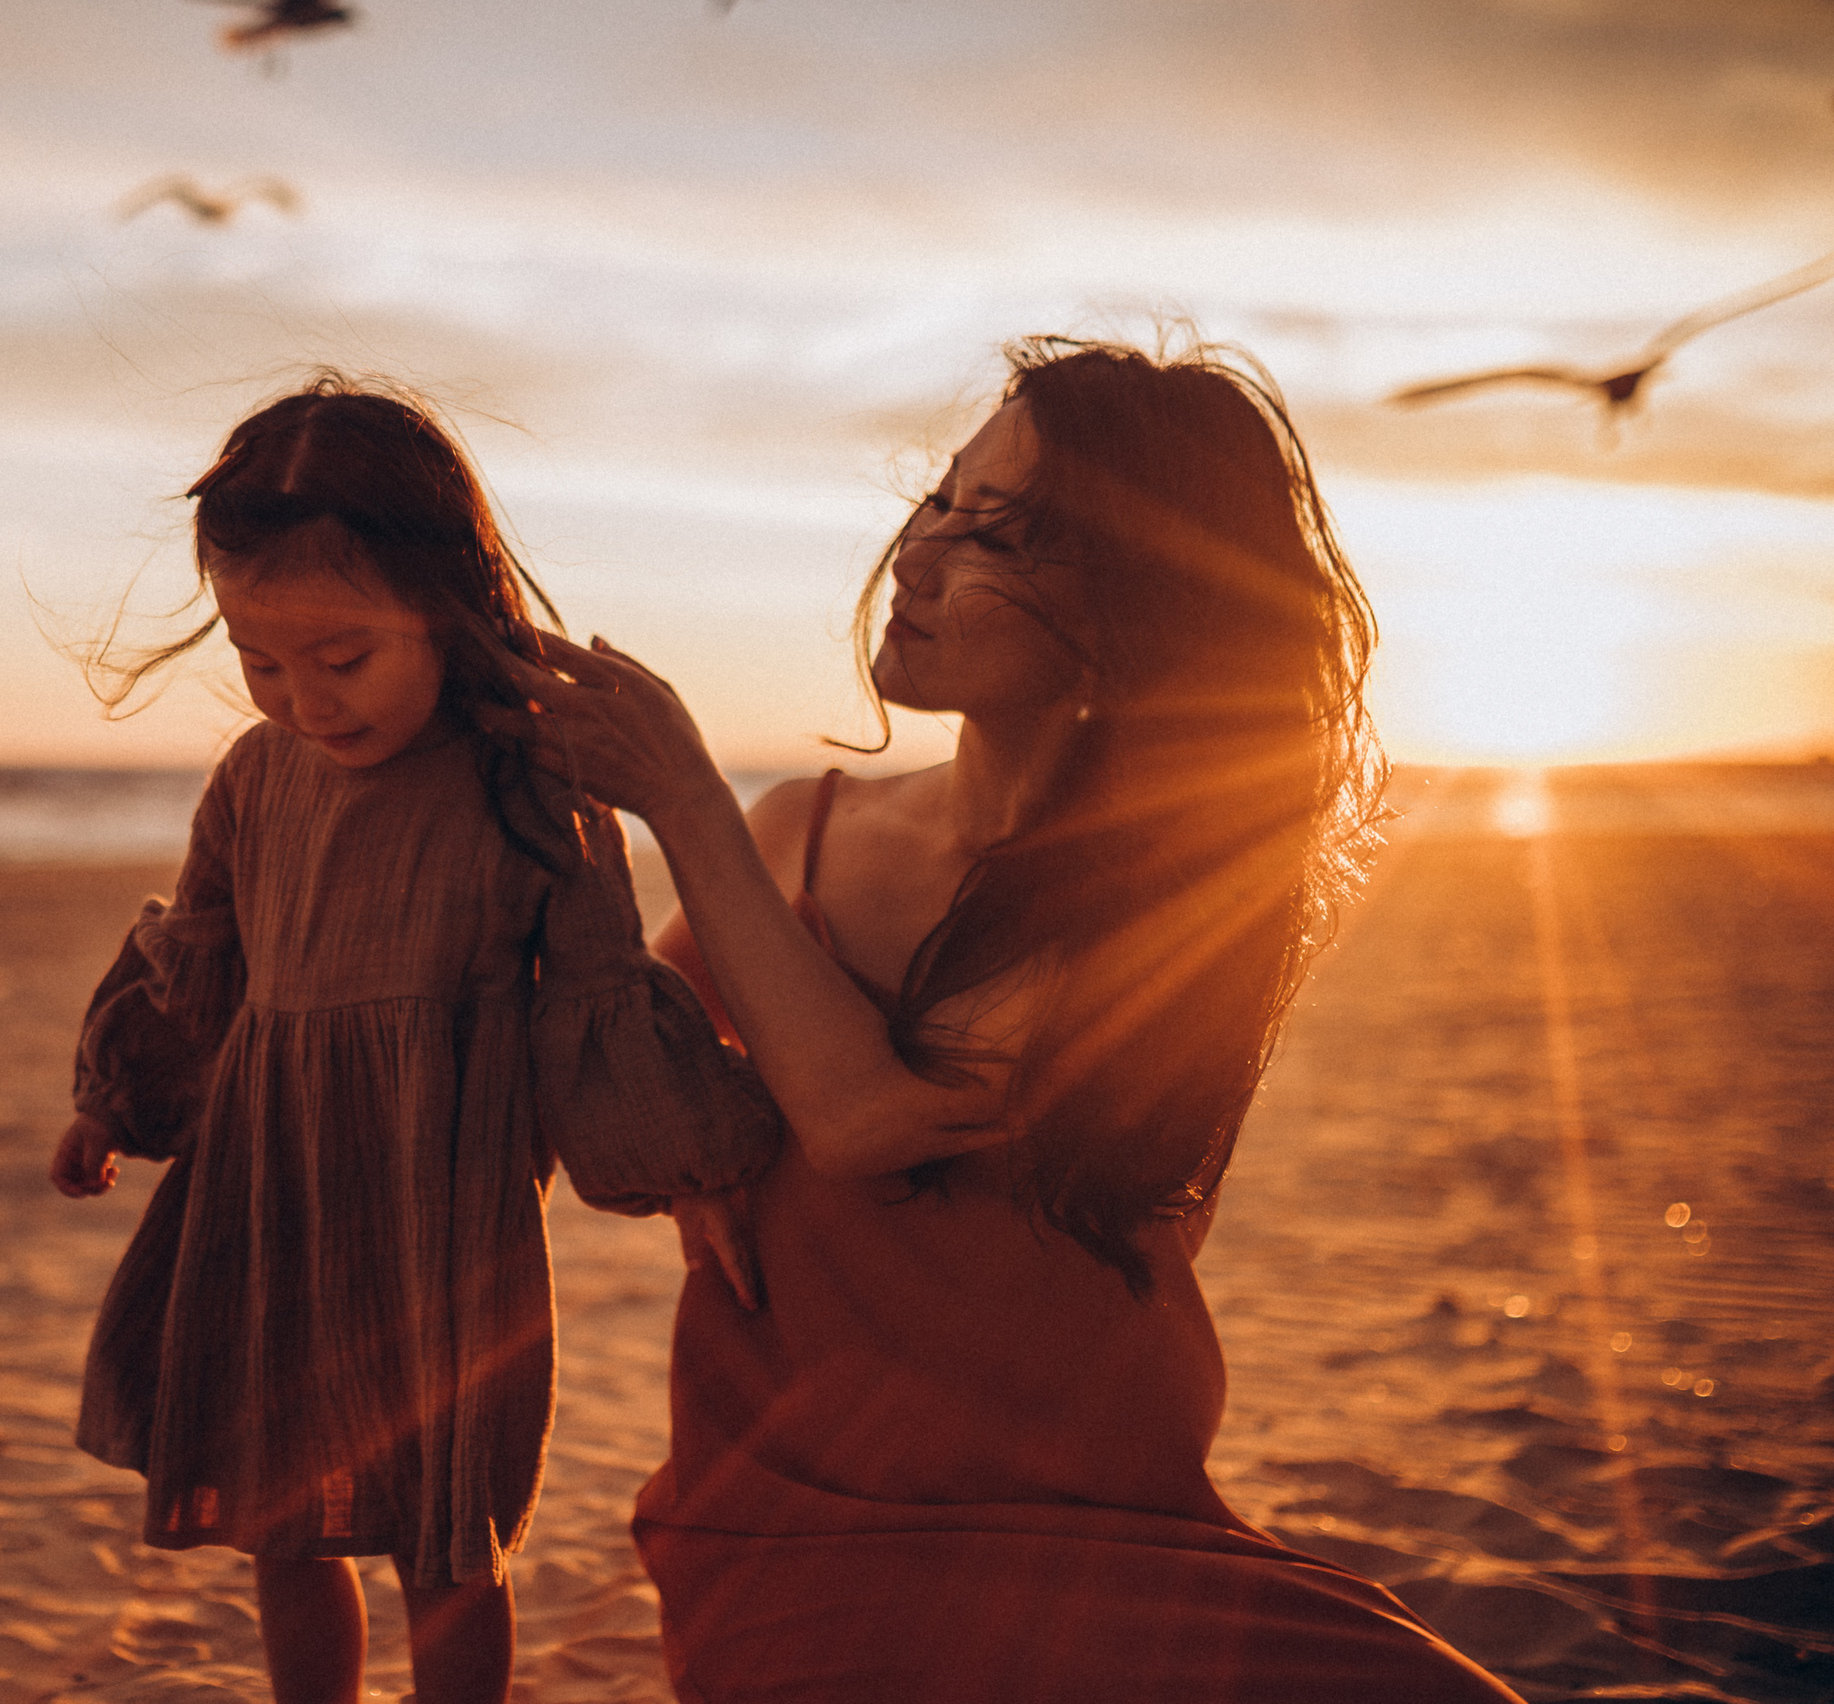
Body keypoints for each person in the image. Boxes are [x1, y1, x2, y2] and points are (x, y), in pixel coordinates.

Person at [490, 338, 1524, 1702]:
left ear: (1134, 610)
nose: (918, 560)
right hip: (796, 1520)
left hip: (1103, 1516)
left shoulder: (1174, 894)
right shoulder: (797, 836)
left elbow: (868, 1121)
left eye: (1005, 535)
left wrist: (681, 803)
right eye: (941, 501)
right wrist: (703, 1155)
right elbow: (606, 1076)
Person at [49, 377, 780, 1704]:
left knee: (448, 1539)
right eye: (261, 664)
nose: (305, 701)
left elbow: (597, 1003)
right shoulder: (256, 781)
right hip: (272, 1209)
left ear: (446, 603)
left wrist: (692, 1175)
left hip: (444, 1225)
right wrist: (114, 1101)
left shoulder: (526, 785)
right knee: (286, 1518)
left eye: (343, 660)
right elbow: (201, 963)